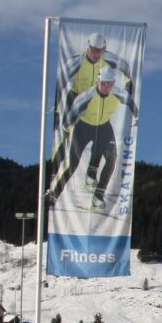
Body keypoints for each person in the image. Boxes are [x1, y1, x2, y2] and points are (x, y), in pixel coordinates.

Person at [46, 65, 139, 210]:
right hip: (84, 127)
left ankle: (98, 196)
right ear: (98, 81)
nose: (106, 87)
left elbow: (131, 103)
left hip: (103, 127)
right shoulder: (87, 96)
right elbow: (73, 112)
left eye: (109, 84)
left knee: (112, 157)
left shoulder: (118, 94)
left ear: (113, 83)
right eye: (103, 83)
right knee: (73, 164)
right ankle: (54, 193)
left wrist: (137, 117)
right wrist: (66, 127)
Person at [49, 31, 134, 177]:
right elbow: (61, 84)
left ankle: (92, 169)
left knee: (100, 131)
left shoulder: (109, 58)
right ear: (88, 47)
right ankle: (53, 172)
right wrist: (57, 109)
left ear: (104, 50)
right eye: (93, 51)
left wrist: (128, 84)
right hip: (76, 97)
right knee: (66, 135)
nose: (96, 55)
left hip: (97, 97)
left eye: (99, 52)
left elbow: (125, 66)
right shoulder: (77, 61)